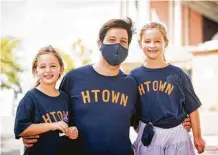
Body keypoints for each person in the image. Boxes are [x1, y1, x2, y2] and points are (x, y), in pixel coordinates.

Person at [21, 18, 192, 155]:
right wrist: (34, 136)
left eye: (123, 41)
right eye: (112, 39)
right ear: (99, 43)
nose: (117, 45)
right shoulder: (73, 78)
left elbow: (143, 120)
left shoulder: (131, 83)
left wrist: (179, 121)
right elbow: (53, 114)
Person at [130, 22, 205, 155]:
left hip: (177, 133)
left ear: (165, 43)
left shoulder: (178, 74)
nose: (152, 45)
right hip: (149, 133)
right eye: (147, 41)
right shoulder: (134, 76)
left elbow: (192, 107)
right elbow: (131, 110)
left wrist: (197, 137)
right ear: (140, 44)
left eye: (157, 41)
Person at [14, 46, 78, 155]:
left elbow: (68, 123)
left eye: (53, 66)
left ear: (61, 69)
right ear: (35, 71)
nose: (48, 70)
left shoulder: (65, 97)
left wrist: (73, 131)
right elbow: (20, 129)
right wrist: (53, 125)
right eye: (42, 67)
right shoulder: (31, 97)